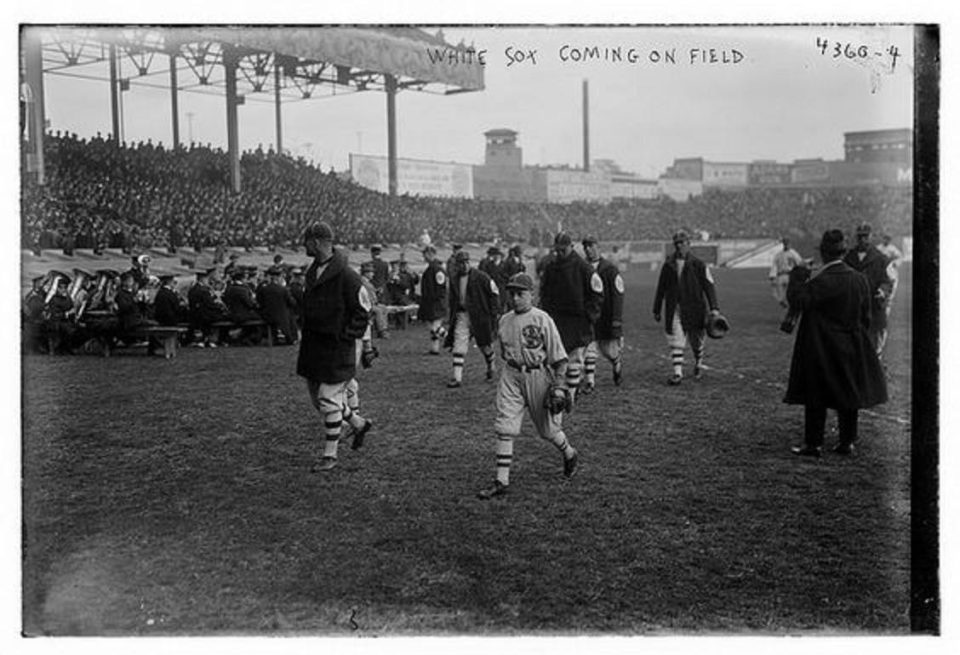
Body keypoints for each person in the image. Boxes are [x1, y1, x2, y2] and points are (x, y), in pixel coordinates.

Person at [785, 229, 888, 457]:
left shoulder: (820, 281)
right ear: (843, 252)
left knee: (816, 393)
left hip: (821, 345)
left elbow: (797, 300)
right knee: (848, 391)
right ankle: (847, 442)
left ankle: (814, 444)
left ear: (823, 253)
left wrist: (799, 273)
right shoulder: (860, 280)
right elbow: (866, 317)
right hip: (852, 342)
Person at [476, 273, 579, 500]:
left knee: (548, 431)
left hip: (538, 374)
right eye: (511, 293)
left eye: (520, 293)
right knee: (505, 425)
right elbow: (505, 352)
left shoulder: (542, 319)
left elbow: (560, 358)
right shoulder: (504, 320)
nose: (515, 298)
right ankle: (501, 480)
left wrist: (560, 386)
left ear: (532, 294)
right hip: (511, 374)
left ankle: (570, 453)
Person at [297, 222, 374, 472]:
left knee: (328, 399)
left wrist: (345, 336)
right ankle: (358, 423)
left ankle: (330, 456)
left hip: (336, 348)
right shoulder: (313, 272)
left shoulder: (347, 276)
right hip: (314, 347)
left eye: (307, 241)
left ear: (317, 242)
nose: (304, 245)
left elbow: (364, 311)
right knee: (317, 399)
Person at [538, 232, 603, 400]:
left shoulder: (584, 268)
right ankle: (561, 390)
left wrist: (589, 316)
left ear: (571, 247)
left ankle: (571, 396)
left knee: (575, 358)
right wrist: (545, 314)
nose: (559, 254)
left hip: (577, 321)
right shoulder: (551, 268)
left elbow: (597, 294)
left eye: (563, 250)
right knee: (557, 357)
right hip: (556, 320)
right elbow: (544, 293)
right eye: (557, 250)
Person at [652, 229, 722, 385]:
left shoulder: (698, 265)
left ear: (689, 244)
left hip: (695, 307)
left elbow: (708, 286)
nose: (679, 246)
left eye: (682, 242)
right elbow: (661, 288)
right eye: (676, 243)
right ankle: (677, 373)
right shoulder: (668, 265)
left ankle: (698, 361)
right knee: (676, 338)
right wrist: (657, 309)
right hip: (674, 307)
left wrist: (714, 307)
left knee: (696, 341)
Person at [444, 250, 500, 388]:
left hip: (480, 316)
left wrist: (494, 313)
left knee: (485, 346)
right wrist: (452, 316)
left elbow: (494, 294)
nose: (464, 265)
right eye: (461, 263)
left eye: (466, 262)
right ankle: (457, 377)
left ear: (470, 262)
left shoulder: (482, 277)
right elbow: (453, 300)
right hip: (462, 315)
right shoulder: (455, 279)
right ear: (457, 265)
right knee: (459, 344)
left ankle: (491, 366)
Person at [581, 236, 625, 390]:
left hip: (605, 315)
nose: (588, 249)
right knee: (589, 348)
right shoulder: (582, 268)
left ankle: (616, 362)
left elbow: (618, 294)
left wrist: (616, 318)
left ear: (598, 247)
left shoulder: (610, 269)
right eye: (585, 246)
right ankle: (590, 382)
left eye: (591, 246)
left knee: (609, 350)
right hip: (589, 315)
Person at [842, 223, 892, 355]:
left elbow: (887, 280)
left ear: (871, 237)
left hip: (873, 306)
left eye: (866, 236)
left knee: (875, 345)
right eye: (860, 237)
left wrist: (882, 291)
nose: (863, 240)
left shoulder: (881, 258)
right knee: (853, 344)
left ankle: (876, 370)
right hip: (854, 307)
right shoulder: (848, 258)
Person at [417, 245, 449, 355]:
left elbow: (440, 288)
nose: (424, 256)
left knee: (435, 327)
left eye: (425, 254)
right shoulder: (432, 268)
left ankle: (451, 339)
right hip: (430, 303)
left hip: (436, 303)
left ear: (431, 254)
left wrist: (434, 300)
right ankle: (435, 349)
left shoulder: (437, 269)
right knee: (431, 327)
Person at [257, 267, 299, 345]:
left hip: (267, 315)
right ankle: (291, 338)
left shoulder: (263, 289)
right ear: (278, 278)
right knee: (290, 315)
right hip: (282, 317)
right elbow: (292, 303)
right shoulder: (283, 290)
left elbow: (260, 301)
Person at [223, 269, 263, 345]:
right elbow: (250, 304)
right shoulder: (243, 290)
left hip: (232, 314)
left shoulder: (229, 288)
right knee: (260, 318)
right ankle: (252, 338)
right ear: (242, 279)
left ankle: (244, 336)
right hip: (243, 315)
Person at [769, 237, 804, 308]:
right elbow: (774, 265)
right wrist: (772, 275)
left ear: (790, 244)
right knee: (781, 297)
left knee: (790, 295)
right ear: (783, 244)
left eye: (787, 243)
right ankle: (784, 303)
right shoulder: (778, 255)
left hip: (790, 275)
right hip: (780, 276)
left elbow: (799, 263)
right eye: (785, 243)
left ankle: (790, 308)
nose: (786, 245)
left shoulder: (793, 253)